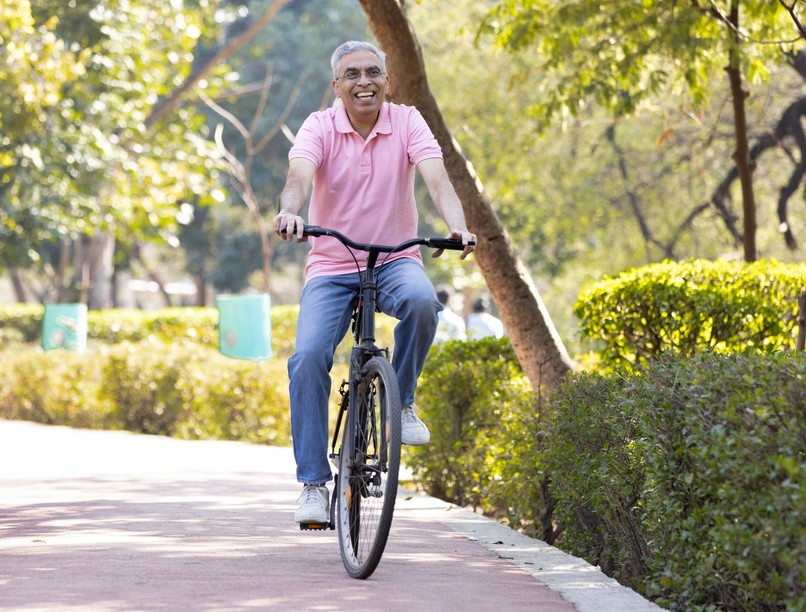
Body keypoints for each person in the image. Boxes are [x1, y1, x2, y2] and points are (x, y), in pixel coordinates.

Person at [273, 40, 476, 524]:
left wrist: (457, 224)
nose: (364, 81)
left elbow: (438, 179)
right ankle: (312, 485)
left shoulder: (407, 121)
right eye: (352, 74)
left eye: (373, 72)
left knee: (424, 302)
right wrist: (289, 212)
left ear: (386, 79)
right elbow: (298, 175)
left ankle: (401, 402)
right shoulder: (319, 126)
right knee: (307, 360)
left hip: (394, 259)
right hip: (332, 264)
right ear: (337, 85)